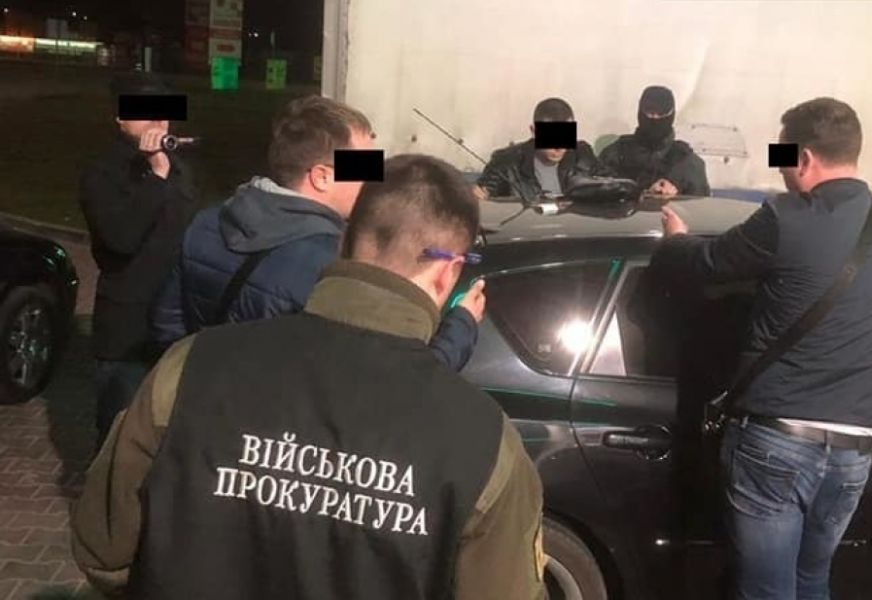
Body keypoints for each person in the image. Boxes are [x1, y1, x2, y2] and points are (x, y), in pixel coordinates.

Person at [71, 154, 546, 600]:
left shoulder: (189, 367)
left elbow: (103, 549)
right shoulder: (485, 442)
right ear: (449, 272)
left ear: (342, 242)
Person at [655, 97, 872, 599]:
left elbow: (706, 263)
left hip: (776, 445)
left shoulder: (784, 219)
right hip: (854, 453)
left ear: (803, 158)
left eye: (782, 157)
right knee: (811, 582)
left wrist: (674, 239)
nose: (780, 170)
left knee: (766, 592)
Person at [150, 95, 483, 370]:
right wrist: (460, 329)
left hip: (205, 404)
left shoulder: (207, 222)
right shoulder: (335, 264)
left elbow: (167, 327)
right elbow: (384, 383)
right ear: (321, 177)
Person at [79, 72, 197, 447]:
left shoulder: (178, 166)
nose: (157, 121)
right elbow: (121, 239)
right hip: (128, 328)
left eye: (163, 112)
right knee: (119, 432)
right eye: (145, 111)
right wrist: (156, 177)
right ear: (121, 118)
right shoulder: (102, 173)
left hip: (175, 324)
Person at [474, 97, 602, 200]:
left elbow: (608, 186)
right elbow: (482, 195)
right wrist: (479, 198)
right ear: (534, 131)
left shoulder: (583, 155)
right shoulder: (506, 162)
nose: (558, 147)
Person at [599, 85, 710, 197]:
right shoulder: (617, 153)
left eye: (662, 114)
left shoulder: (688, 162)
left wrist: (675, 195)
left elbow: (701, 204)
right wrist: (644, 193)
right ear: (640, 113)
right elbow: (599, 196)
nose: (655, 119)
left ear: (671, 115)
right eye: (650, 113)